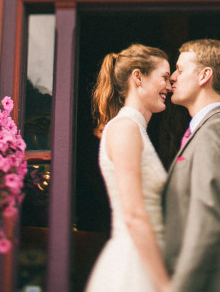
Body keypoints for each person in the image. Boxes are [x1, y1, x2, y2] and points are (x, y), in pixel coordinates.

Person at [163, 39, 220, 292]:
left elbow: (208, 221)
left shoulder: (217, 131)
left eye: (180, 70)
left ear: (205, 75)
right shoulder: (206, 129)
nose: (172, 77)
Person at [85, 44, 172, 292]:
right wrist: (165, 284)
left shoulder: (135, 130)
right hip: (134, 264)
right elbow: (133, 215)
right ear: (138, 77)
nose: (169, 86)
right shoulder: (125, 128)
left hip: (147, 258)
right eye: (164, 78)